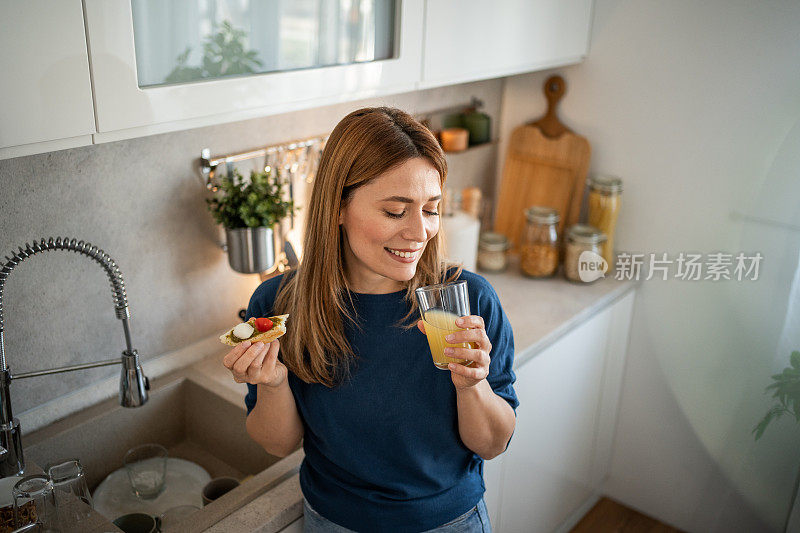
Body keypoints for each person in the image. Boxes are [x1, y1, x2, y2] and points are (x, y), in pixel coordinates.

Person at [222, 106, 518, 533]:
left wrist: (473, 386)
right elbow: (278, 443)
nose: (419, 233)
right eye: (396, 212)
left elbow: (493, 444)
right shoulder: (279, 303)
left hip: (450, 522)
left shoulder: (467, 304)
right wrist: (272, 383)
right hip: (332, 522)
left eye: (431, 209)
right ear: (338, 207)